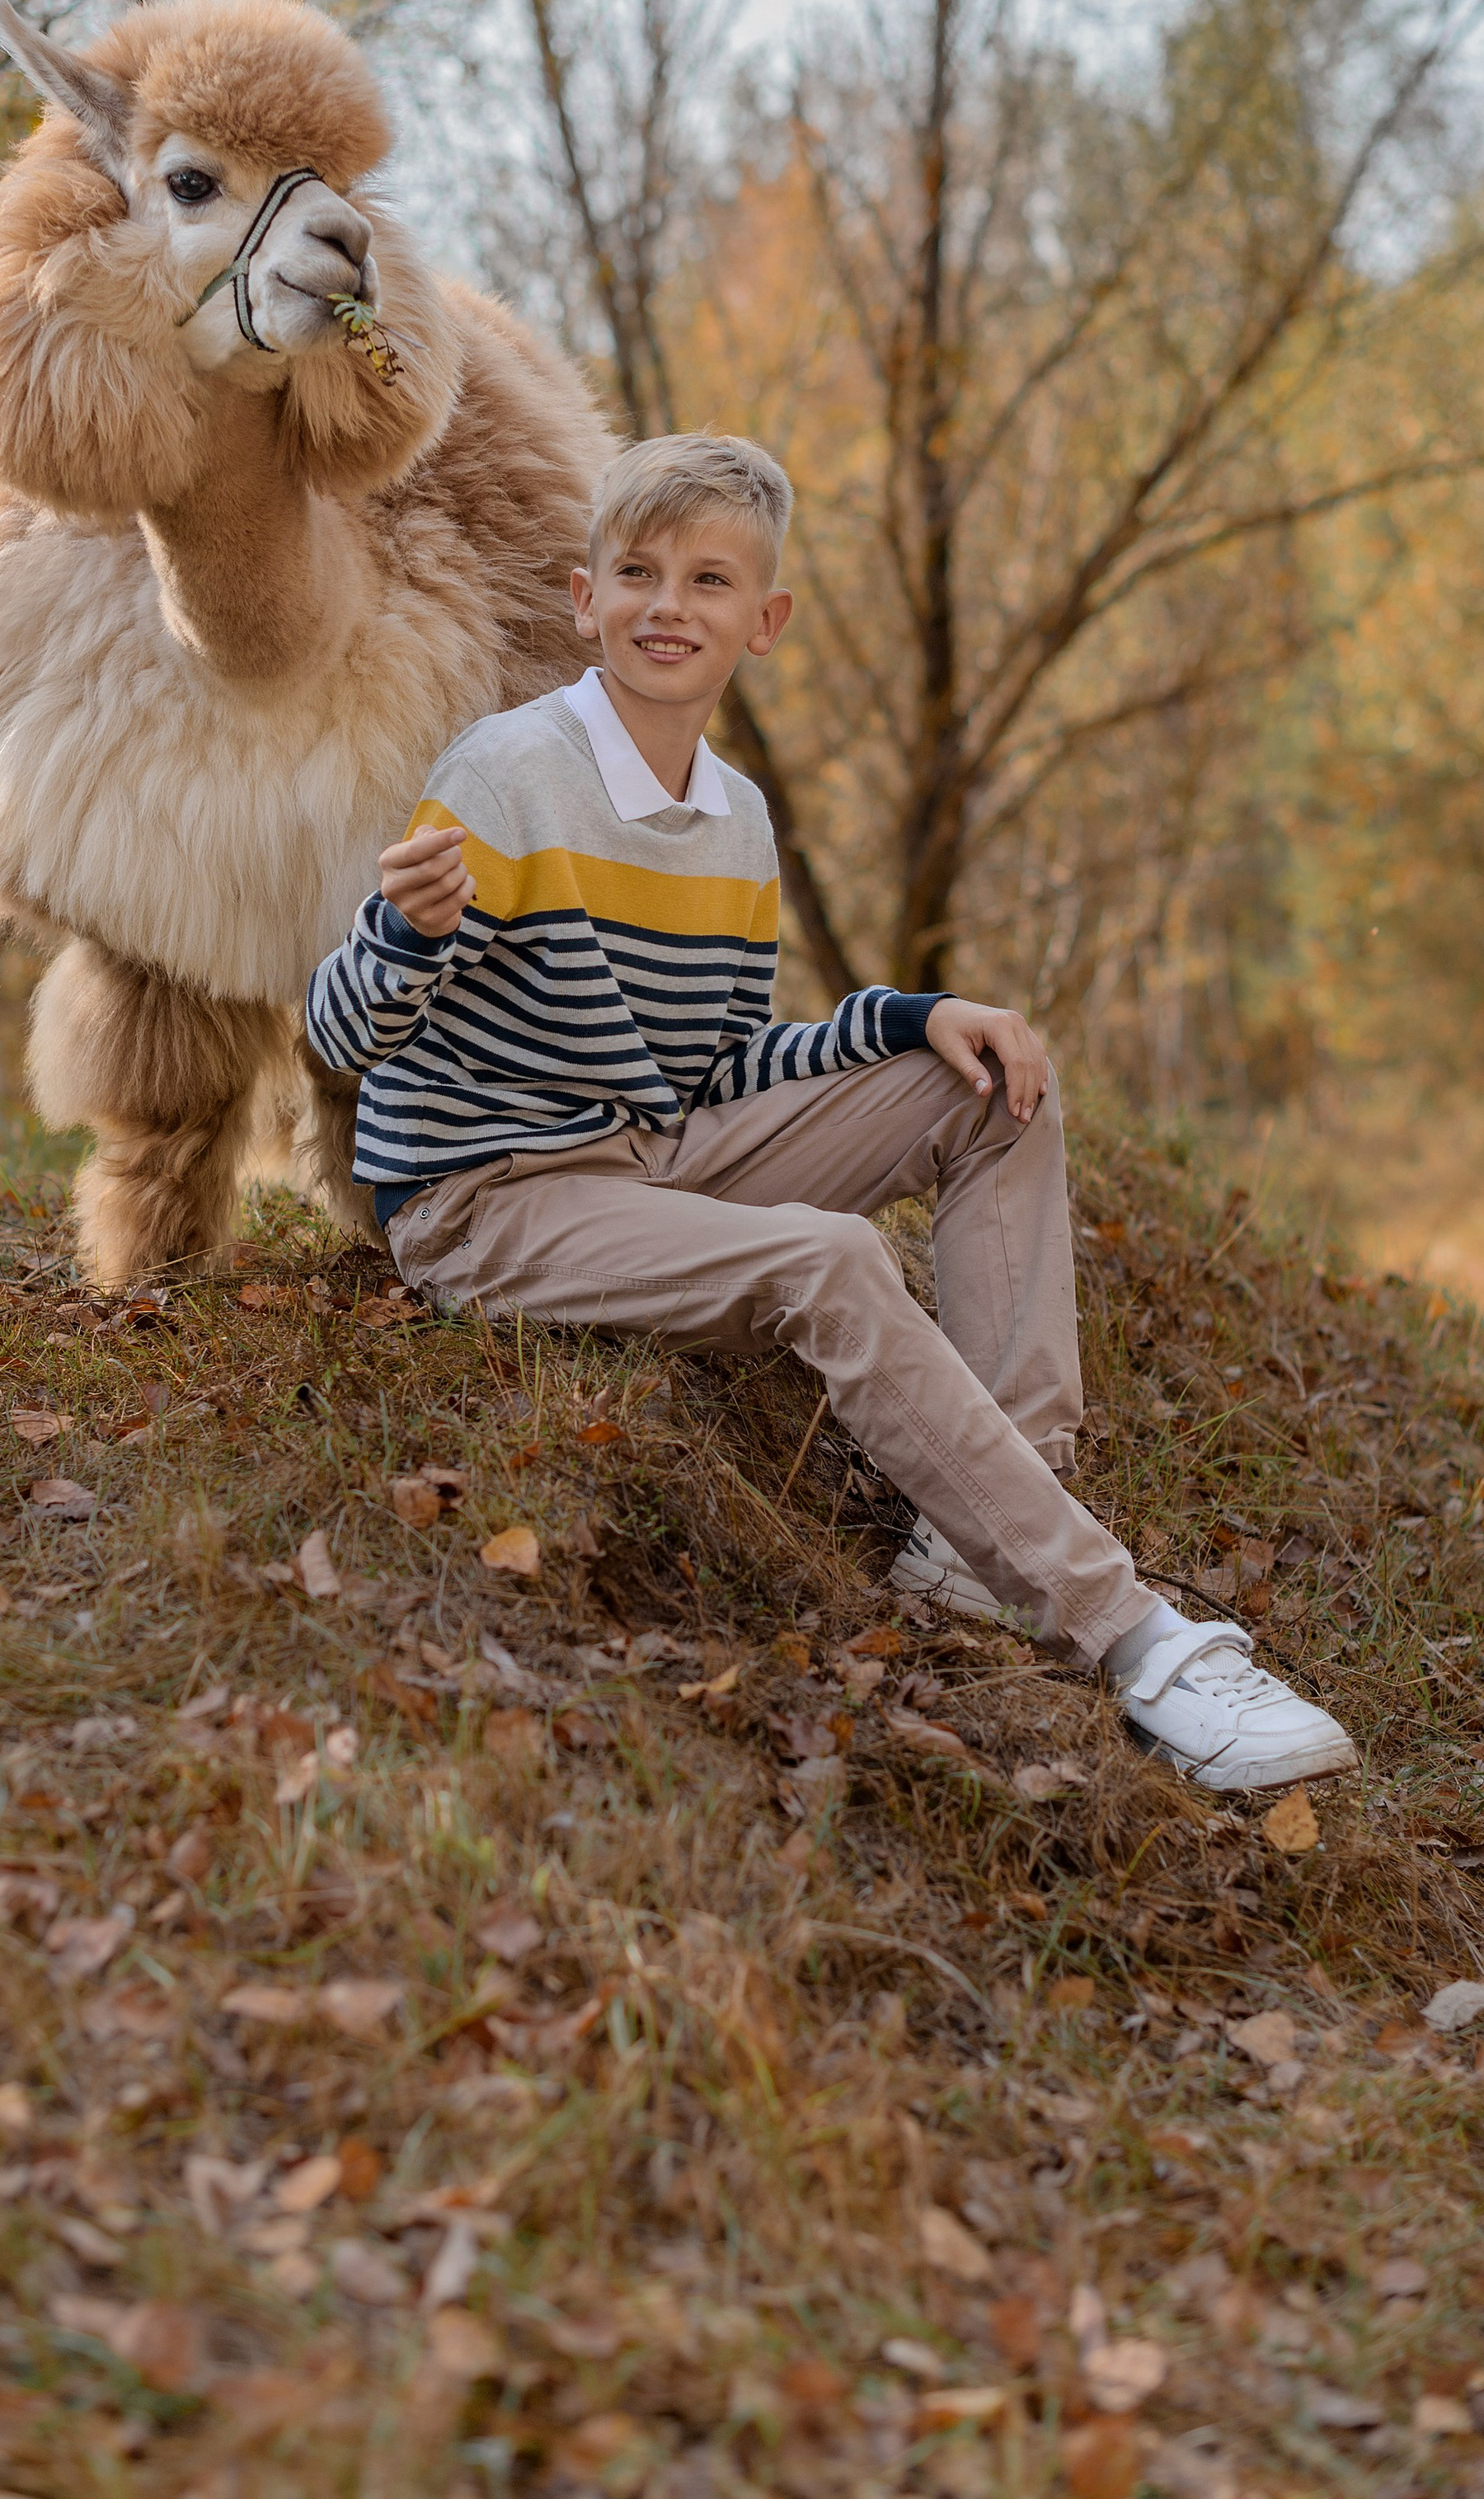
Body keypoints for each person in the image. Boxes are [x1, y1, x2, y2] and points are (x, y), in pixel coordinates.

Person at [305, 435, 1355, 1792]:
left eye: (709, 578)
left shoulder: (737, 820)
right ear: (585, 600)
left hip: (647, 1152)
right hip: (484, 1196)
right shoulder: (509, 774)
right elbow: (340, 1043)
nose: (668, 605)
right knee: (831, 1255)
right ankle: (1141, 1642)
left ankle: (974, 1539)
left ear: (766, 620)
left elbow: (721, 1065)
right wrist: (398, 933)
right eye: (637, 573)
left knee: (998, 1086)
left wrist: (914, 1020)